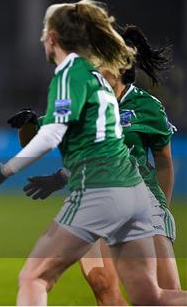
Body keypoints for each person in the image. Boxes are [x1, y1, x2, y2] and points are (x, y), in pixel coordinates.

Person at [0, 0, 187, 305]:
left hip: (102, 191)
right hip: (132, 194)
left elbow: (53, 134)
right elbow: (95, 142)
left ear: (53, 38)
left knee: (34, 277)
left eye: (44, 32)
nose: (42, 38)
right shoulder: (96, 82)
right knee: (150, 296)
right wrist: (57, 171)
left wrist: (2, 172)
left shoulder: (72, 75)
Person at [11, 24, 181, 296]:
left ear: (119, 67)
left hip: (141, 200)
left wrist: (162, 208)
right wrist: (28, 124)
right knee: (102, 283)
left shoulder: (147, 107)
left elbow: (163, 161)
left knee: (163, 291)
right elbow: (33, 141)